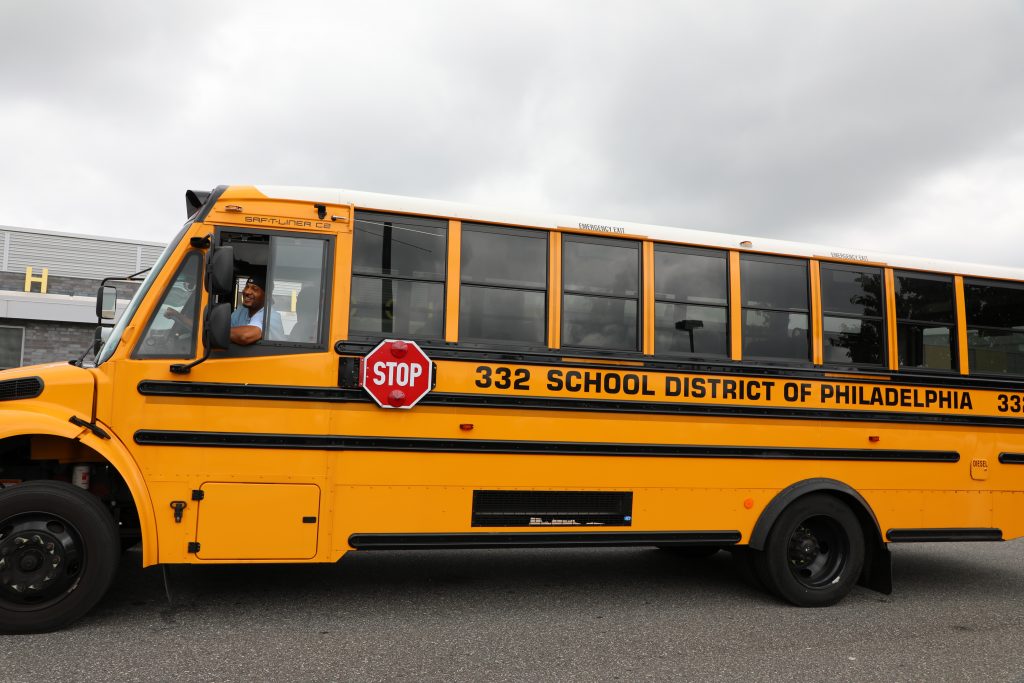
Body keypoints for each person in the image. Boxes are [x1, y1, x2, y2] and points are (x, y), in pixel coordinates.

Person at [230, 273, 284, 345]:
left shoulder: (270, 315)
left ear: (266, 295)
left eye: (254, 289)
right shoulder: (242, 310)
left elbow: (245, 336)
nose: (247, 291)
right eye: (247, 287)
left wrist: (216, 332)